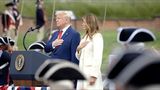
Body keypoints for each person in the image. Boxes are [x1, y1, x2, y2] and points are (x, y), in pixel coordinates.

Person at [76, 13, 103, 90]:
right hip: (82, 73)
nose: (82, 24)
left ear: (90, 23)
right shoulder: (84, 37)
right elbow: (79, 57)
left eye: (84, 22)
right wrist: (78, 49)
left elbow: (97, 57)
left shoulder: (97, 37)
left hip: (90, 74)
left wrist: (93, 76)